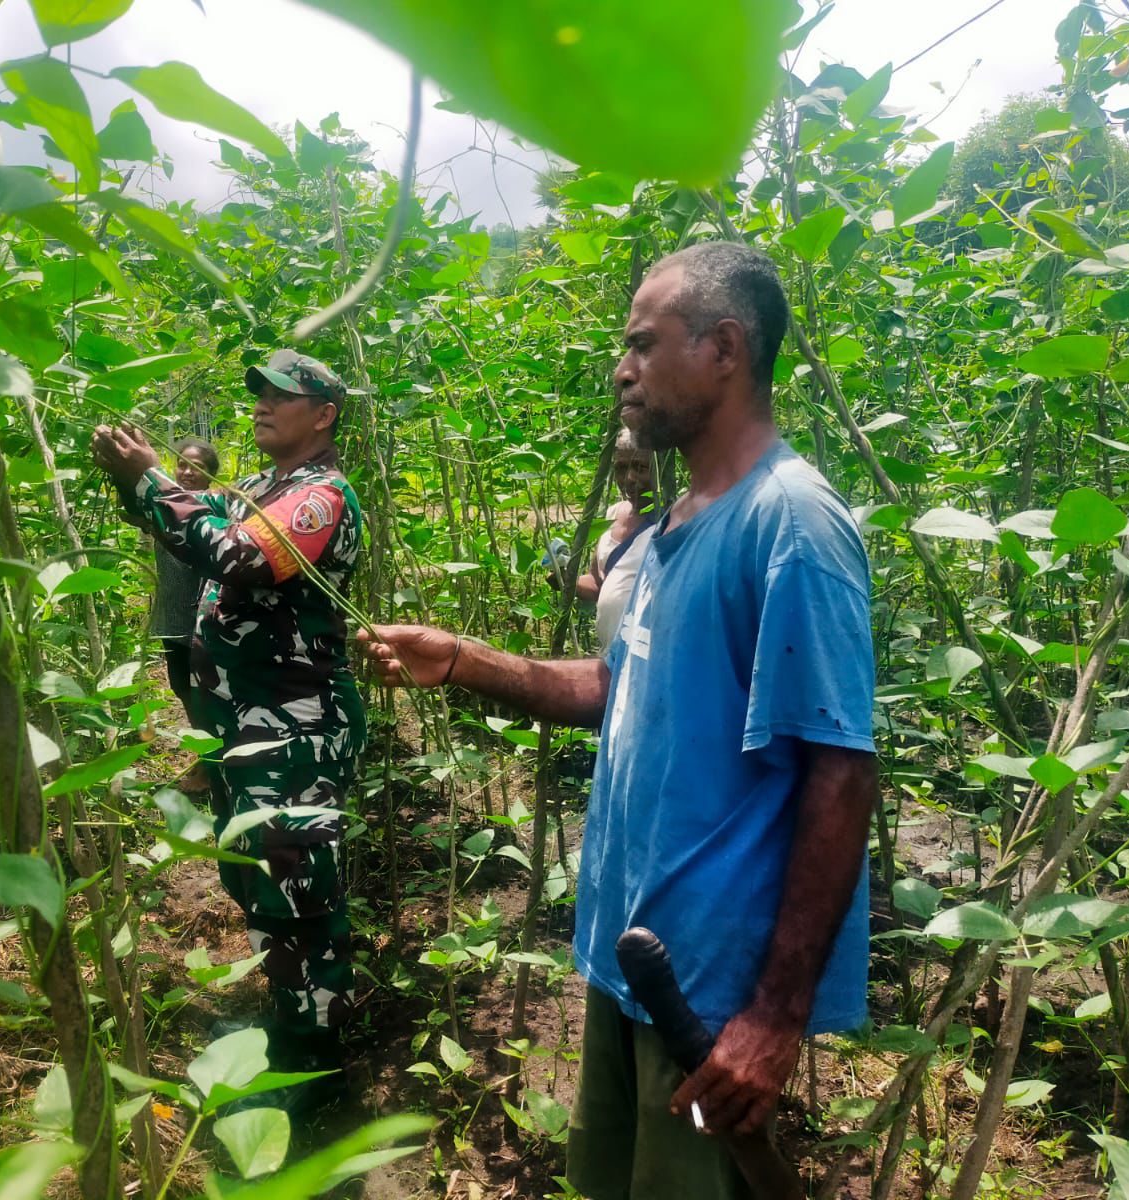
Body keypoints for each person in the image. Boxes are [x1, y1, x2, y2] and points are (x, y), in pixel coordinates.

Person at [361, 243, 878, 1199]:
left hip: (708, 993)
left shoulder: (792, 523)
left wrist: (773, 1016)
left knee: (685, 1179)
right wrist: (463, 661)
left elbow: (840, 772)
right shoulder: (680, 520)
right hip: (632, 954)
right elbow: (616, 685)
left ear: (724, 348)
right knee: (620, 1179)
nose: (621, 367)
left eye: (642, 344)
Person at [92, 349, 365, 1100]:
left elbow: (240, 555)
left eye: (282, 394)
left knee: (298, 896)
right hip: (245, 730)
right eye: (259, 393)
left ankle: (314, 1072)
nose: (262, 403)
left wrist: (149, 479)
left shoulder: (321, 495)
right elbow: (196, 531)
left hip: (294, 731)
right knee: (256, 885)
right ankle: (284, 1026)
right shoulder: (263, 489)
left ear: (325, 413)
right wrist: (135, 484)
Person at [147, 437, 219, 730]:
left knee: (206, 691)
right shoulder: (163, 506)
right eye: (182, 465)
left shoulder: (214, 509)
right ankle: (207, 758)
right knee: (180, 686)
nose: (187, 472)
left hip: (204, 618)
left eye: (197, 467)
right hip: (172, 614)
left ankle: (212, 763)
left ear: (210, 474)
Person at [573, 429, 658, 654]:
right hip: (610, 657)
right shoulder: (610, 515)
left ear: (660, 466)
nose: (629, 478)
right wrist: (564, 575)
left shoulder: (673, 521)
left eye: (641, 468)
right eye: (621, 468)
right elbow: (598, 582)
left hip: (646, 657)